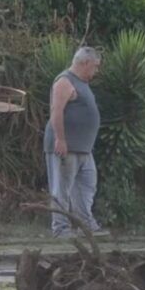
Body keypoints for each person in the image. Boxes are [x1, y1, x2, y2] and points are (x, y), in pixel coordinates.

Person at [43, 46, 108, 238]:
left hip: (83, 149)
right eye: (95, 67)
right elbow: (56, 112)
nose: (96, 71)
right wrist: (61, 140)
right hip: (66, 147)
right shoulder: (65, 81)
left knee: (87, 185)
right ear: (85, 63)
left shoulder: (82, 83)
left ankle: (86, 225)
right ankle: (60, 229)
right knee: (61, 188)